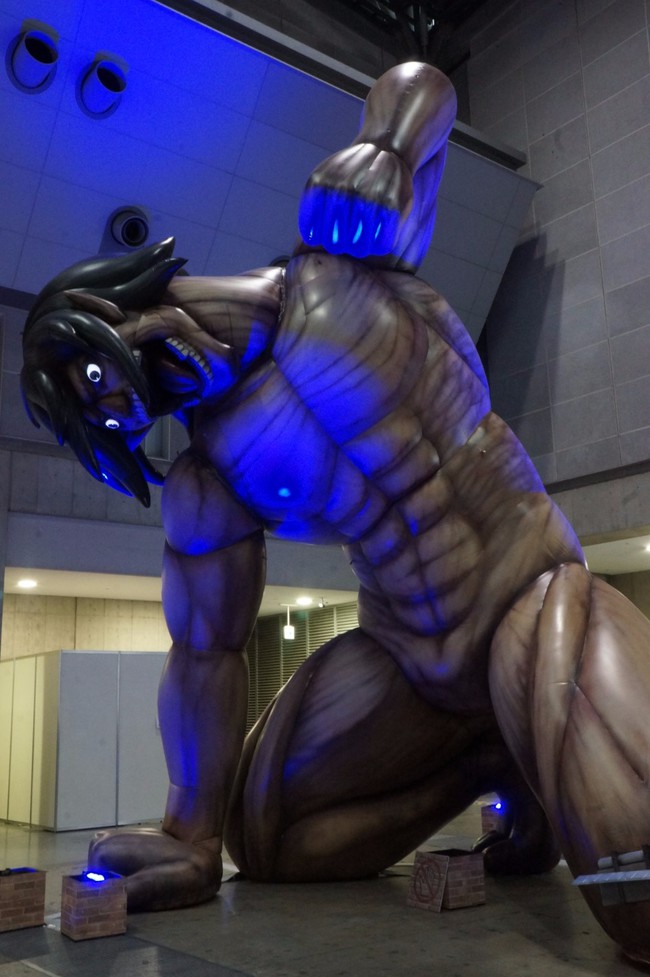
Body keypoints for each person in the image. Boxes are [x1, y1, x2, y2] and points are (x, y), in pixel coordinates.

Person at [21, 62, 650, 966]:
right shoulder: (211, 478)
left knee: (638, 884)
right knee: (270, 837)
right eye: (111, 417)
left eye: (98, 375)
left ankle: (544, 746)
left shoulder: (338, 259)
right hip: (411, 666)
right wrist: (192, 832)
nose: (127, 401)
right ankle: (499, 756)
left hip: (531, 595)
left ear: (115, 300)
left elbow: (422, 83)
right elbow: (204, 654)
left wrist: (389, 147)